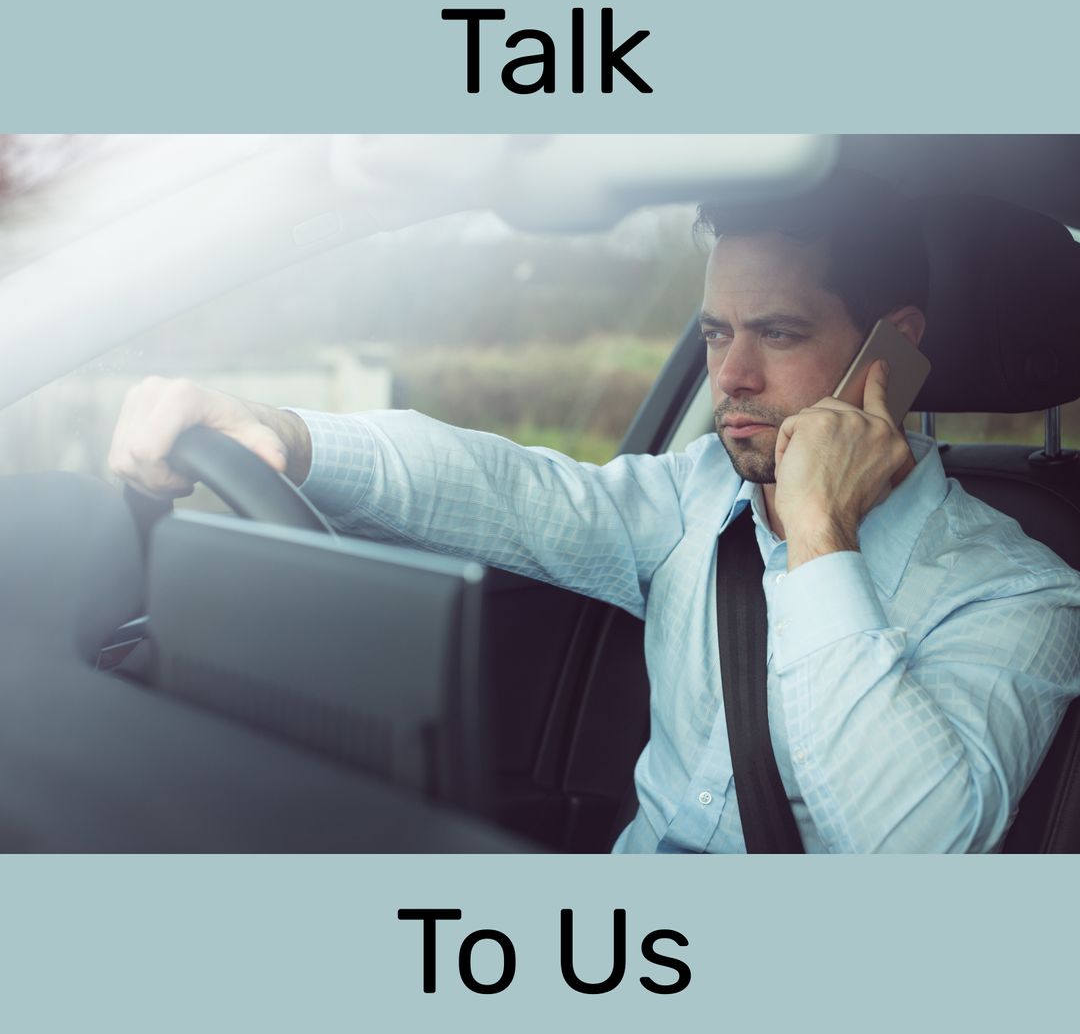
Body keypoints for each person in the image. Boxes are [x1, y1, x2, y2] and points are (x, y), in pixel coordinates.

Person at [109, 173, 1080, 853]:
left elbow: (908, 845)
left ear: (892, 348)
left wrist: (821, 535)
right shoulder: (692, 495)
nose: (732, 376)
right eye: (714, 334)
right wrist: (277, 432)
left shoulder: (1025, 594)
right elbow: (504, 488)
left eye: (778, 333)